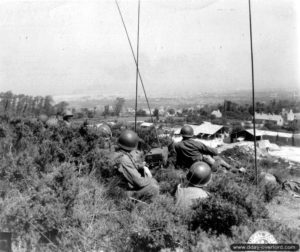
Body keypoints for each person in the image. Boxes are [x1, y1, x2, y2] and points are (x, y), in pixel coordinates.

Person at [115, 129, 159, 202]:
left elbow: (129, 166)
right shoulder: (124, 159)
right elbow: (140, 182)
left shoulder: (119, 153)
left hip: (117, 189)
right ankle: (140, 207)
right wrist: (148, 175)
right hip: (120, 194)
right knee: (153, 186)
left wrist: (141, 166)